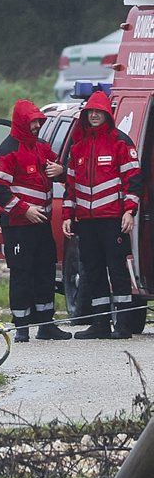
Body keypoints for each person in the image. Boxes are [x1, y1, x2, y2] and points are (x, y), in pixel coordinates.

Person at [61, 90, 141, 339]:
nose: (94, 116)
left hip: (113, 219)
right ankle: (100, 323)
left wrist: (129, 211)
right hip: (86, 221)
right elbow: (71, 186)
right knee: (92, 270)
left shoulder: (121, 142)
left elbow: (134, 181)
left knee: (117, 270)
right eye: (90, 113)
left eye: (98, 112)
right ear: (85, 116)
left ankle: (124, 325)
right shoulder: (79, 147)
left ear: (107, 114)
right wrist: (67, 214)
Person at [0, 99, 72, 343]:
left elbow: (61, 171)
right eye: (33, 121)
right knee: (21, 274)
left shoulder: (42, 147)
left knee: (45, 272)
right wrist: (25, 210)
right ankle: (22, 326)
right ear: (21, 122)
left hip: (41, 224)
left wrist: (62, 170)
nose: (37, 125)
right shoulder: (7, 151)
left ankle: (46, 324)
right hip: (18, 226)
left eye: (39, 121)